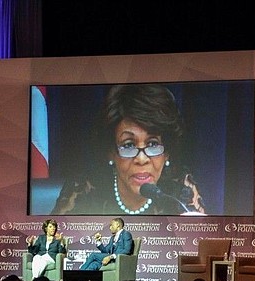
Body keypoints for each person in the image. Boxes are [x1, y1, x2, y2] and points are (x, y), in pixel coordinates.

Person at [51, 83, 206, 215]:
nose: (141, 159)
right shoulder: (85, 189)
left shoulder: (180, 192)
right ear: (111, 152)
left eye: (152, 144)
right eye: (128, 145)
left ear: (167, 153)